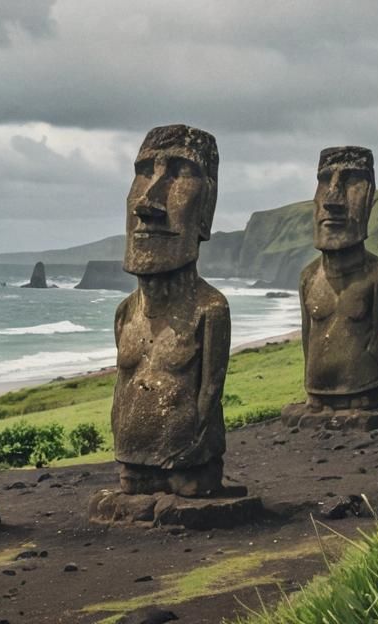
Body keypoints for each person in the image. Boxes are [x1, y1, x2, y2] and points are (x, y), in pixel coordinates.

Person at [111, 124, 231, 497]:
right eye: (144, 173)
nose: (148, 203)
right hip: (132, 460)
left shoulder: (210, 309)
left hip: (187, 461)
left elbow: (209, 391)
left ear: (206, 206)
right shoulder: (125, 311)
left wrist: (193, 450)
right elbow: (120, 386)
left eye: (180, 173)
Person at [299, 146, 378, 411]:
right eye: (324, 181)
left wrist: (368, 376)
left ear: (369, 197)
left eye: (352, 182)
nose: (333, 198)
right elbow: (307, 337)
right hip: (316, 394)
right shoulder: (308, 276)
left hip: (363, 392)